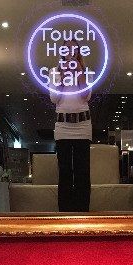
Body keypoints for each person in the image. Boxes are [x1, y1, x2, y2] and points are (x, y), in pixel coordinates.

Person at [50, 48, 91, 212]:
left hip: (83, 125)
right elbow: (54, 98)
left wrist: (79, 71)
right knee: (65, 171)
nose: (71, 53)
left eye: (75, 50)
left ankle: (83, 215)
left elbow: (86, 96)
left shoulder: (86, 71)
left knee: (83, 171)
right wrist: (64, 74)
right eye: (67, 49)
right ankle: (64, 215)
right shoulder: (55, 72)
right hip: (62, 126)